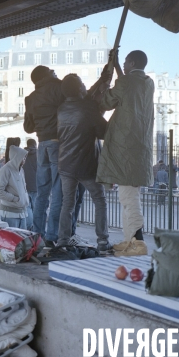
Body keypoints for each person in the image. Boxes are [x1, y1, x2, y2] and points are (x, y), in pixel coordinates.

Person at [97, 50, 154, 256]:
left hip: (124, 151)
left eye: (125, 64)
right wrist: (118, 66)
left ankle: (137, 243)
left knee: (129, 200)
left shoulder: (126, 83)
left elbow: (106, 102)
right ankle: (129, 241)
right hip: (140, 151)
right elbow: (128, 84)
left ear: (131, 62)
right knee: (129, 197)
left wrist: (104, 89)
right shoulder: (147, 83)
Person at [56, 74, 111, 253]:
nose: (85, 85)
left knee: (68, 203)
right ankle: (103, 241)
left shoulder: (62, 109)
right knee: (99, 200)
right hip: (86, 164)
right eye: (82, 83)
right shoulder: (88, 108)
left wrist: (102, 80)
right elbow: (104, 132)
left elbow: (86, 99)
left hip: (65, 164)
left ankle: (63, 239)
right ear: (80, 89)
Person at [24, 65, 65, 247]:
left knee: (42, 193)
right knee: (58, 193)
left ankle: (36, 235)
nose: (54, 71)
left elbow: (28, 127)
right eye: (50, 70)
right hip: (58, 142)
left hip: (42, 144)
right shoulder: (58, 87)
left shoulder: (31, 98)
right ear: (45, 75)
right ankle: (51, 236)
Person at [0, 145, 30, 228]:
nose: (24, 160)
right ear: (16, 157)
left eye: (25, 157)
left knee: (21, 240)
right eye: (22, 157)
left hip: (22, 213)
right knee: (11, 240)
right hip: (10, 214)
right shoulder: (5, 170)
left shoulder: (21, 170)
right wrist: (15, 199)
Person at [22, 139, 38, 230]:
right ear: (35, 145)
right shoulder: (39, 154)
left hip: (25, 185)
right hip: (37, 185)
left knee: (27, 207)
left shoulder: (23, 154)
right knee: (36, 208)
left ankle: (29, 226)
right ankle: (36, 227)